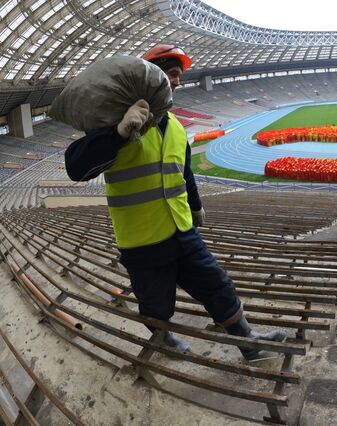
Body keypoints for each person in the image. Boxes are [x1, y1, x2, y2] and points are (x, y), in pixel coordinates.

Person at [64, 44, 285, 360]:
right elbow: (76, 167)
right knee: (156, 303)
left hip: (183, 231)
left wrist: (195, 206)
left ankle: (247, 341)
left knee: (218, 285)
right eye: (172, 74)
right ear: (149, 80)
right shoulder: (120, 123)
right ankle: (165, 338)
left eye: (180, 76)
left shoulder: (177, 128)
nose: (178, 82)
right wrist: (117, 134)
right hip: (142, 240)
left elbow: (184, 173)